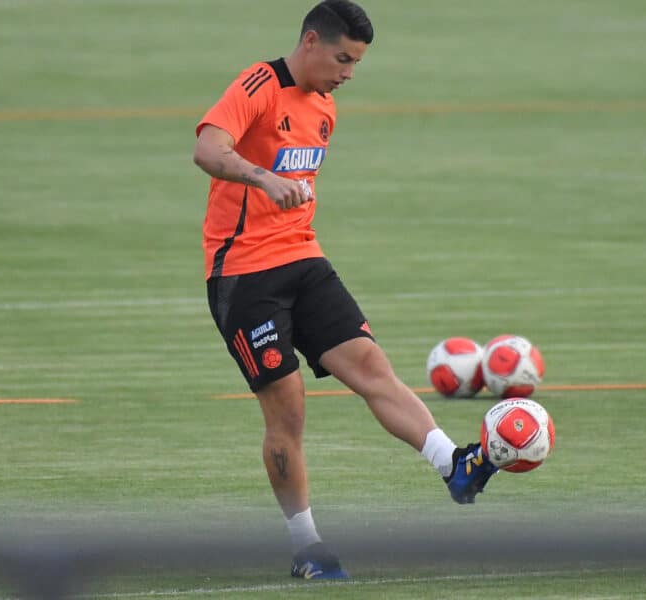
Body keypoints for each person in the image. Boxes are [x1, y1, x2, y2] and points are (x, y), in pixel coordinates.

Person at [192, 0, 498, 581]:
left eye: (356, 63)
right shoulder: (260, 83)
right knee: (288, 410)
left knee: (372, 367)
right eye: (342, 58)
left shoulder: (326, 107)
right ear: (310, 41)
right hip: (244, 275)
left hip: (304, 259)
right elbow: (208, 146)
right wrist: (262, 177)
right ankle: (306, 548)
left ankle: (453, 464)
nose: (348, 73)